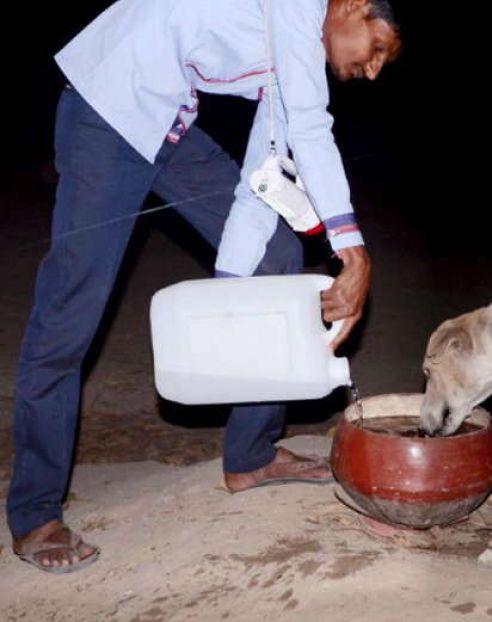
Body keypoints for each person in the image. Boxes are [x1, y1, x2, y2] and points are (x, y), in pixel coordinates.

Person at [8, 0, 401, 573]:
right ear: (353, 7)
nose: (373, 71)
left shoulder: (286, 61)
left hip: (168, 122)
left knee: (275, 255)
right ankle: (35, 512)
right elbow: (315, 129)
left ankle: (251, 455)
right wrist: (352, 250)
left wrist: (230, 294)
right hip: (107, 114)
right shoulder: (298, 8)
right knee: (70, 310)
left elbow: (257, 183)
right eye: (378, 48)